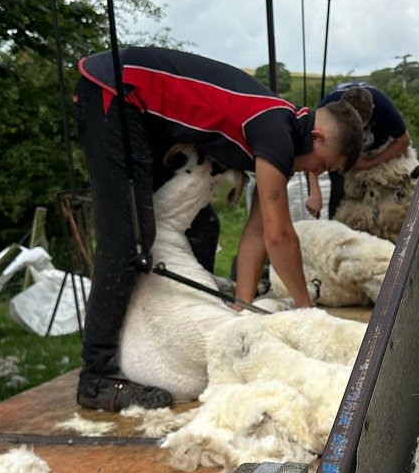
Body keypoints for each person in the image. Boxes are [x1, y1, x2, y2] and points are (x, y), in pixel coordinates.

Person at [74, 46, 367, 412]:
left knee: (204, 227)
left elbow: (258, 233)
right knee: (129, 236)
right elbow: (280, 235)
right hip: (115, 90)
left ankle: (178, 337)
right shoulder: (277, 129)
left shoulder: (280, 131)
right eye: (322, 166)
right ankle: (96, 374)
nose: (316, 173)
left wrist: (241, 309)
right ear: (318, 137)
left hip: (139, 106)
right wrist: (308, 316)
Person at [309, 81, 411, 218]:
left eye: (361, 125)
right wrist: (315, 193)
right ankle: (338, 226)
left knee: (389, 189)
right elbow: (311, 150)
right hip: (341, 149)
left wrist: (371, 163)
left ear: (373, 109)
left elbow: (404, 141)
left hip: (378, 149)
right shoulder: (327, 112)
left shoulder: (384, 108)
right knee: (340, 193)